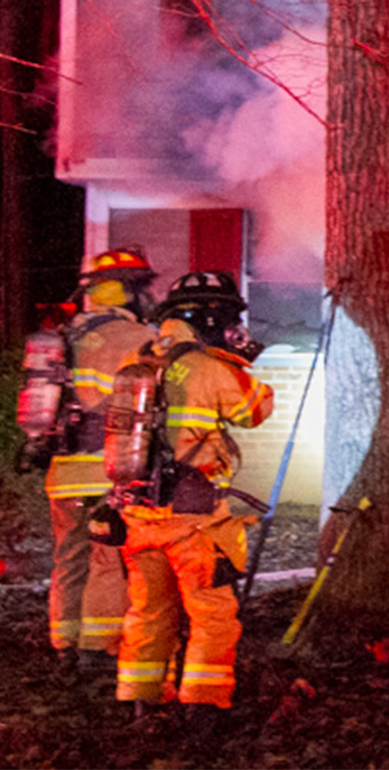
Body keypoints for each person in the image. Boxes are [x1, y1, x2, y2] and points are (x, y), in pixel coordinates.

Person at [112, 271, 273, 721]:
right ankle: (203, 706)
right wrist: (238, 359)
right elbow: (255, 410)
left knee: (148, 610)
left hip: (138, 514)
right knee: (211, 611)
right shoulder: (209, 367)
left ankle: (140, 701)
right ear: (212, 319)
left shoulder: (135, 362)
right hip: (193, 518)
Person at [24, 250, 156, 680]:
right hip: (107, 467)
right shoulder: (133, 338)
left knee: (69, 558)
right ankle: (97, 649)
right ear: (128, 289)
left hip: (62, 470)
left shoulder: (64, 336)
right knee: (107, 557)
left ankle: (64, 644)